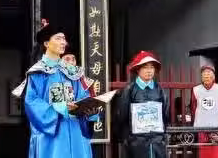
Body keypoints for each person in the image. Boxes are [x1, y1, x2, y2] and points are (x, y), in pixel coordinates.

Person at [21, 19, 99, 158]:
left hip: (75, 132)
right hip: (52, 136)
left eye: (64, 39)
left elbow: (83, 96)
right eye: (58, 38)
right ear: (46, 43)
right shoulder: (37, 72)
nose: (63, 42)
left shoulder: (73, 72)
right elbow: (32, 103)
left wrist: (90, 110)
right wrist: (61, 108)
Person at [114, 51, 169, 158]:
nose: (149, 71)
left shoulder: (160, 90)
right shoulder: (129, 90)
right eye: (145, 67)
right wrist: (127, 138)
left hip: (157, 141)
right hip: (136, 142)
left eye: (152, 67)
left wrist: (161, 136)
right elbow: (121, 116)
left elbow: (165, 115)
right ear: (138, 69)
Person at [190, 66, 218, 158]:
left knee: (216, 151)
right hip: (201, 128)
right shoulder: (196, 90)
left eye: (209, 75)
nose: (207, 77)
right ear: (201, 78)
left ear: (213, 77)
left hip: (217, 128)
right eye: (204, 75)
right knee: (203, 152)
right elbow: (193, 108)